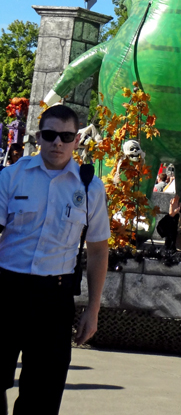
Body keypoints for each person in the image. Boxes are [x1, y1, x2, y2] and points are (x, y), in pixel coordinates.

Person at [0, 104, 110, 415]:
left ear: (77, 140)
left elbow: (98, 249)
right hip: (7, 290)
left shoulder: (89, 187)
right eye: (50, 135)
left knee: (42, 398)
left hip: (54, 299)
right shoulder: (11, 177)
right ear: (38, 138)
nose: (57, 143)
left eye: (66, 136)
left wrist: (93, 308)